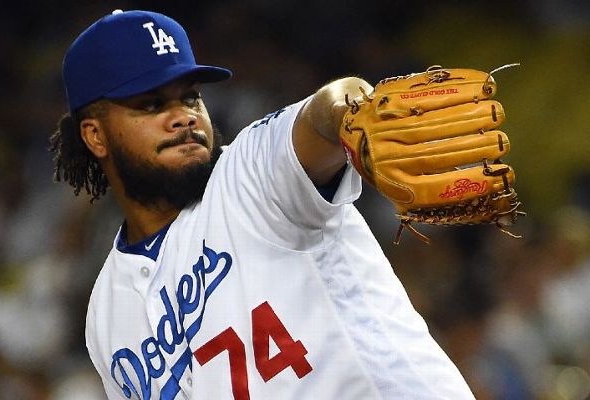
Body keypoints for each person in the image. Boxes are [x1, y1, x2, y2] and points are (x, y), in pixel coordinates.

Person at [51, 9, 475, 400]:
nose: (183, 116)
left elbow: (322, 112)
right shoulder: (107, 316)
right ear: (95, 136)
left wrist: (354, 115)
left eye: (190, 96)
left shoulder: (250, 172)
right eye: (152, 104)